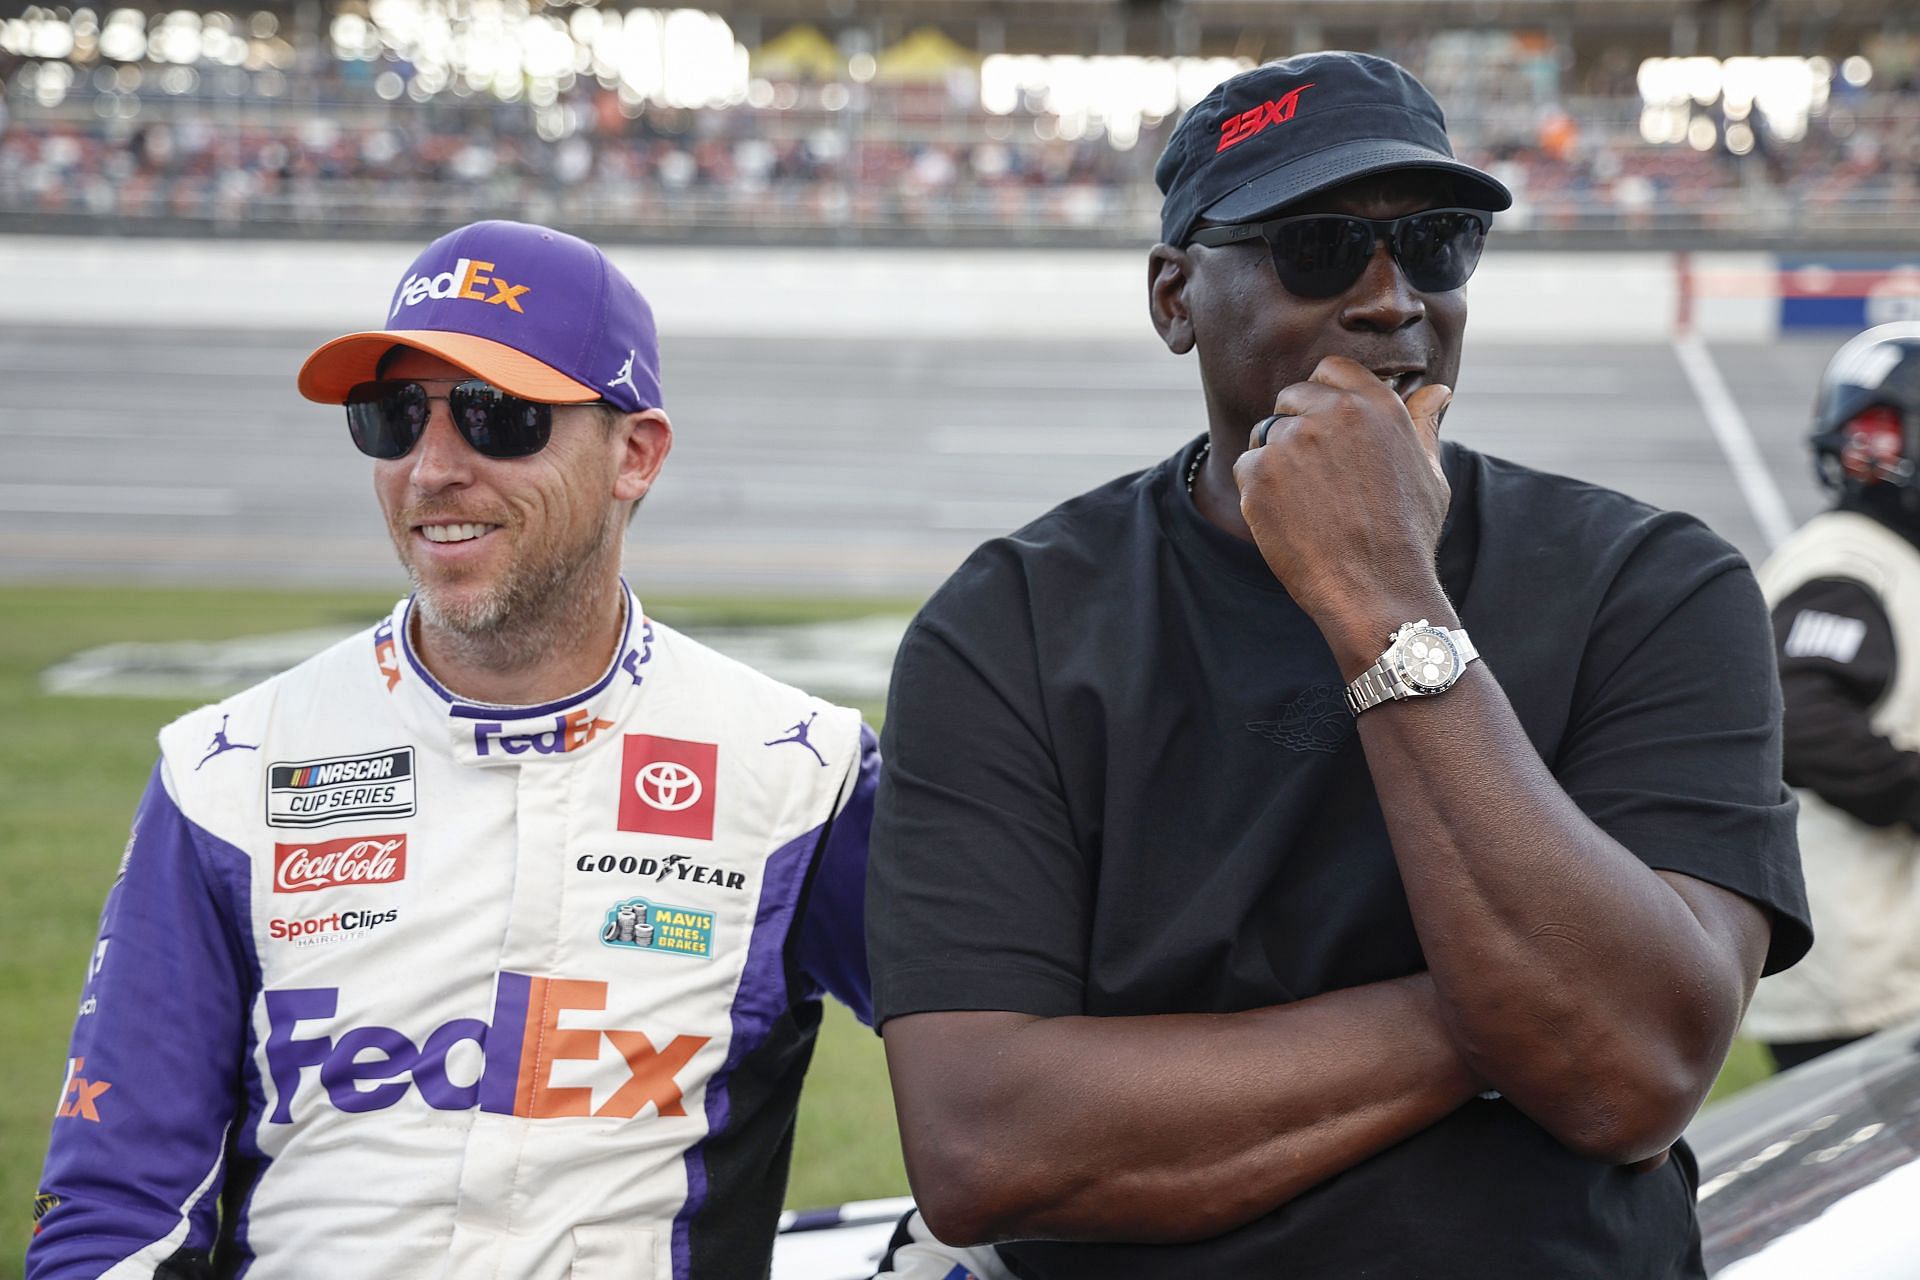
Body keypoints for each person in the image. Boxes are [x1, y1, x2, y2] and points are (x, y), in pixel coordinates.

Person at [866, 52, 1811, 1278]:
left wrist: (1383, 599)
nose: (1391, 297)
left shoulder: (1656, 584)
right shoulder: (1010, 624)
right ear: (1174, 297)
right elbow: (984, 1146)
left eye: (1438, 242)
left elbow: (1632, 1073)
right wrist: (1512, 1007)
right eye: (1317, 247)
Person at [29, 220, 878, 1280]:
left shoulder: (803, 772)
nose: (431, 467)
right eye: (391, 416)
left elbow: (1016, 1069)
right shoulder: (224, 771)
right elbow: (116, 1212)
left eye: (498, 415)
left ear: (637, 454)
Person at [1745, 322, 1920, 1071]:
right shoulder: (1849, 563)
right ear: (1880, 442)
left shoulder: (1877, 557)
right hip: (1853, 970)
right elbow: (1804, 716)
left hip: (1869, 963)